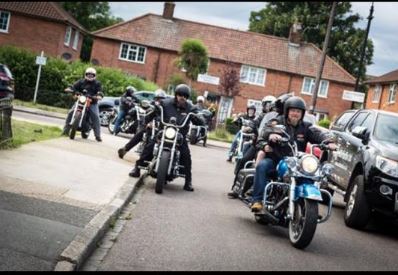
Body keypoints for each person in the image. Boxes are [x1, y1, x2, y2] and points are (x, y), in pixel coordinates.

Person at [250, 96, 337, 212]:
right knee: (262, 166)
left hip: (297, 163)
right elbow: (266, 131)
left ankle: (307, 209)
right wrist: (272, 135)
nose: (295, 114)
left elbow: (318, 134)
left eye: (298, 111)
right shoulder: (278, 121)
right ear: (287, 111)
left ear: (302, 113)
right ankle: (257, 200)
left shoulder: (306, 127)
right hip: (276, 159)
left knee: (309, 175)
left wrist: (328, 141)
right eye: (293, 111)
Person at [129, 84, 205, 192]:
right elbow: (155, 109)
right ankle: (137, 168)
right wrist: (150, 113)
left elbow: (199, 118)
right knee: (149, 146)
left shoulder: (190, 108)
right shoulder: (166, 103)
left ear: (187, 97)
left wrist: (199, 117)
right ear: (176, 95)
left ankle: (188, 181)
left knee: (186, 155)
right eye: (180, 94)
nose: (182, 97)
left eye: (185, 96)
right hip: (164, 132)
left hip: (180, 136)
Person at [118, 89, 166, 159]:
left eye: (161, 99)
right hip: (152, 126)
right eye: (158, 99)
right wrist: (149, 122)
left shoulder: (166, 107)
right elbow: (148, 114)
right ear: (155, 98)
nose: (159, 101)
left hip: (162, 128)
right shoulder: (152, 105)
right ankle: (125, 149)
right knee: (141, 133)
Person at [62, 67, 104, 142]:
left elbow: (100, 91)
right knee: (71, 112)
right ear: (85, 74)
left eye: (92, 75)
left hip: (92, 102)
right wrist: (70, 88)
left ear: (94, 76)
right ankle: (65, 131)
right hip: (81, 100)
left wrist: (99, 95)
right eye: (88, 74)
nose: (90, 76)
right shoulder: (81, 82)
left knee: (96, 116)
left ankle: (97, 135)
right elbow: (74, 86)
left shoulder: (97, 83)